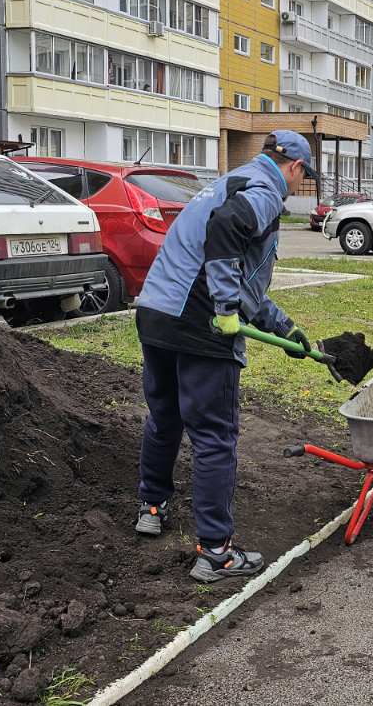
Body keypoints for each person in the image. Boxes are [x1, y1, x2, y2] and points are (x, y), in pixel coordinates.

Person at [130, 130, 320, 582]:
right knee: (215, 436)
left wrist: (284, 326)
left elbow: (237, 272)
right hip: (199, 322)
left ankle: (151, 505)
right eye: (302, 176)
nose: (298, 184)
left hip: (156, 311)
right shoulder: (266, 191)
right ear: (293, 167)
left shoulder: (230, 180)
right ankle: (215, 552)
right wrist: (224, 308)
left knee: (165, 417)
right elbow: (226, 231)